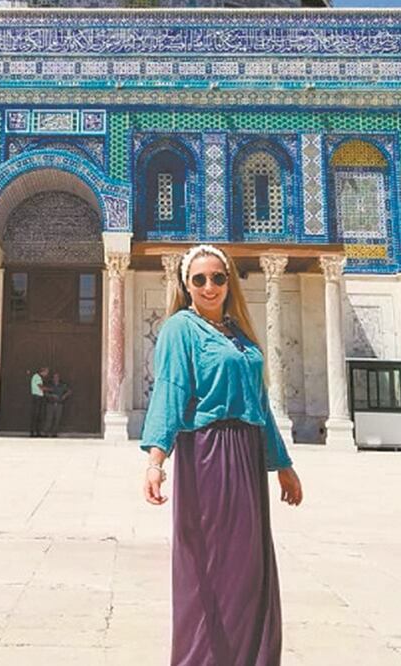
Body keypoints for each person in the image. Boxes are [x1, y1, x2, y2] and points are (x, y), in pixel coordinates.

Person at [141, 244, 303, 666]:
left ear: (229, 281)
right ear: (185, 285)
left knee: (250, 569)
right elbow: (171, 391)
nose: (209, 286)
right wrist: (156, 459)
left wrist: (282, 464)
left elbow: (260, 403)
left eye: (217, 277)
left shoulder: (240, 334)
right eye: (199, 279)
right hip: (209, 455)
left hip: (246, 457)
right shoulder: (181, 329)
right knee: (215, 567)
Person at [43, 371, 73, 437]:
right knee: (49, 419)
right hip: (50, 404)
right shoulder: (49, 385)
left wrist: (64, 396)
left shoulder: (62, 385)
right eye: (54, 377)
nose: (56, 378)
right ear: (52, 378)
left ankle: (54, 433)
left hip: (59, 404)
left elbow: (69, 391)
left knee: (57, 419)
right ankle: (46, 433)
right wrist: (51, 396)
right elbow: (45, 393)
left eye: (57, 377)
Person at [29, 366, 49, 437]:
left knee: (38, 415)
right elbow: (40, 387)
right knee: (36, 415)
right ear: (43, 371)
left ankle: (37, 432)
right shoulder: (37, 377)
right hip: (36, 397)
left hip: (39, 397)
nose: (47, 374)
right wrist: (49, 389)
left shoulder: (39, 377)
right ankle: (33, 432)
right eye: (46, 372)